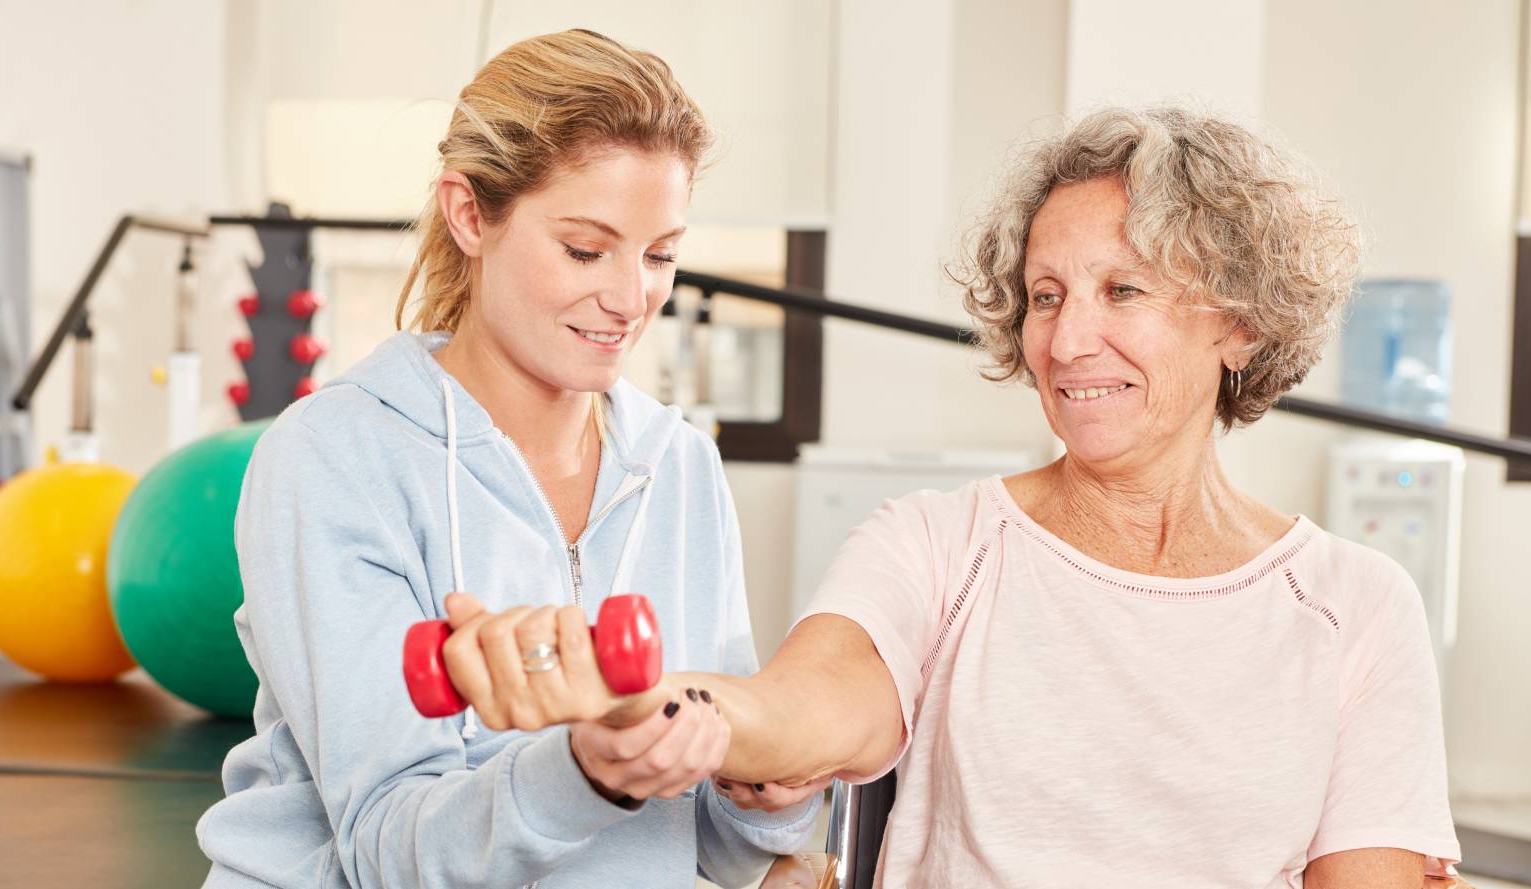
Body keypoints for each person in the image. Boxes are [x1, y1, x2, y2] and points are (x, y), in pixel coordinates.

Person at [442, 106, 1463, 888]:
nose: (1065, 343)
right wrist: (651, 705)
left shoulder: (1354, 605)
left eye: (1124, 291)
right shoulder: (939, 546)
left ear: (1239, 323)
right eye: (1048, 295)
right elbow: (805, 707)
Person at [196, 29, 820, 889]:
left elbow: (717, 847)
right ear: (469, 214)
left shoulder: (680, 466)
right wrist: (587, 771)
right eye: (585, 248)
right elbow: (387, 850)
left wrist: (763, 790)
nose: (631, 297)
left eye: (661, 253)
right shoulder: (330, 458)